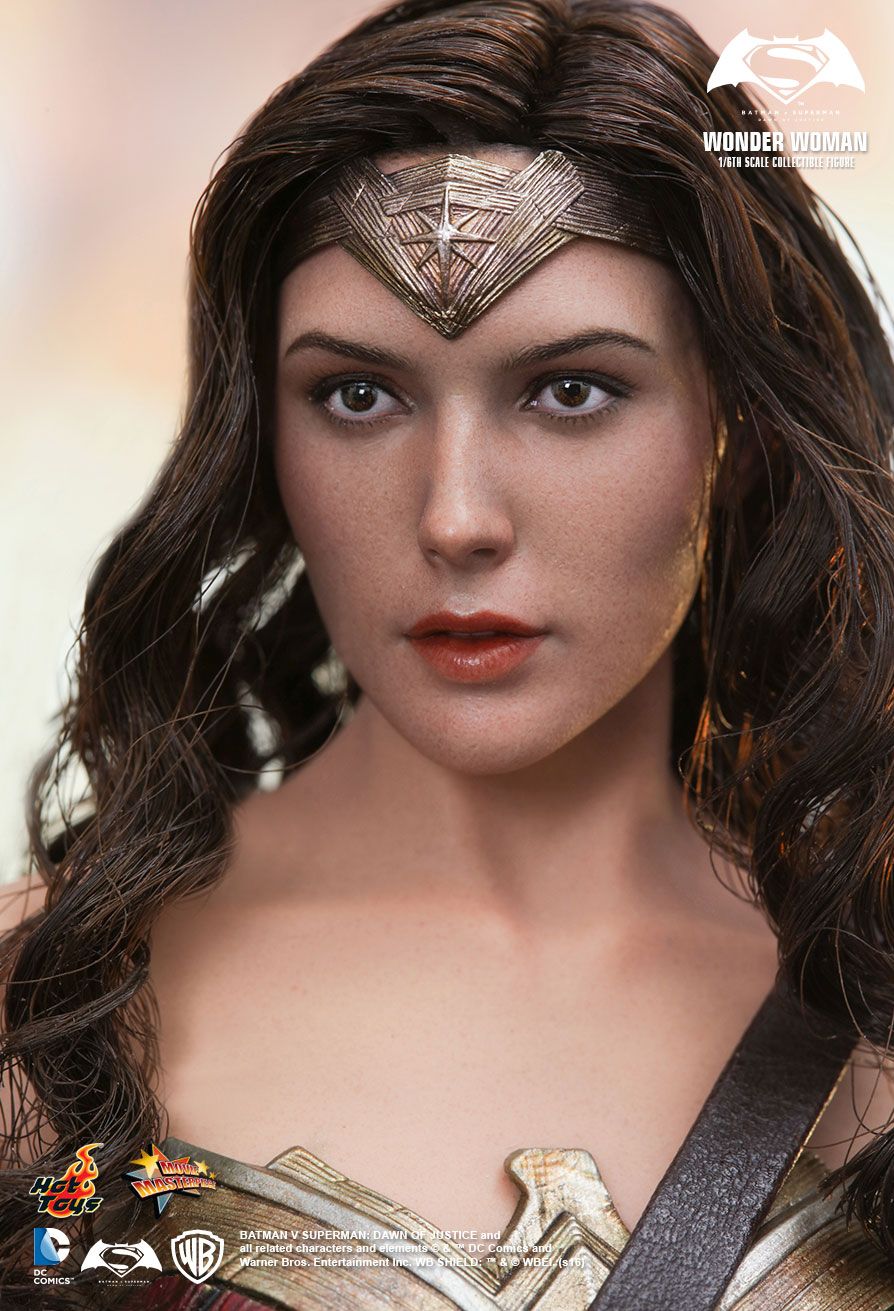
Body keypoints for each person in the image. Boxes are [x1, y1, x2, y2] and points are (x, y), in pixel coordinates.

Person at [3, 0, 894, 1307]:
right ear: (259, 440)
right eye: (357, 395)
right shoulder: (40, 1008)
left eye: (571, 390)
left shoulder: (874, 989)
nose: (455, 518)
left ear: (741, 429)